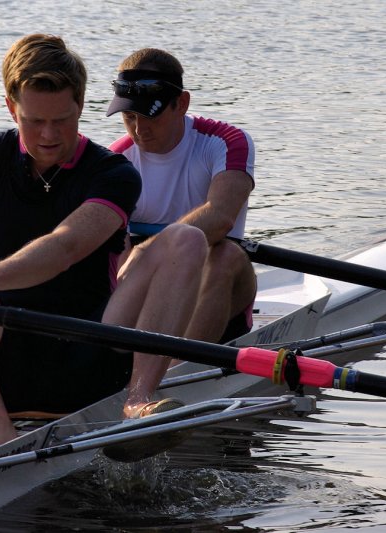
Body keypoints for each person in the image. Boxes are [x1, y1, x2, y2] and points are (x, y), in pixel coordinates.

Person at [0, 34, 207, 466]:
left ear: (81, 106)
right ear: (12, 108)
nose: (49, 136)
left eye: (62, 120)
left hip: (95, 355)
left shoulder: (113, 174)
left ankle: (139, 402)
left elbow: (66, 245)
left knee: (186, 239)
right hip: (2, 351)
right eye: (34, 121)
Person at [106, 48, 257, 409]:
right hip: (150, 301)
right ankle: (140, 386)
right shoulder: (115, 162)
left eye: (151, 116)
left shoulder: (225, 141)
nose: (140, 129)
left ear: (182, 103)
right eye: (129, 116)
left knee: (225, 254)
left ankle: (170, 380)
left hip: (221, 289)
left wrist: (150, 248)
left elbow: (221, 217)